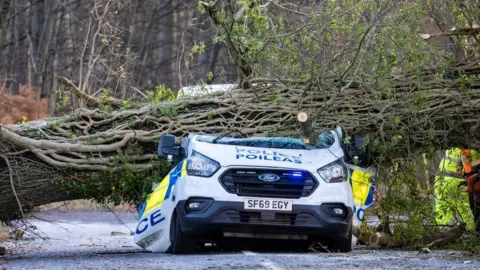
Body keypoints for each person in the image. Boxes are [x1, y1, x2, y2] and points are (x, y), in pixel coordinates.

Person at [434, 147, 480, 230]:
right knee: (466, 210)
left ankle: (442, 233)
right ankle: (473, 234)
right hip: (458, 182)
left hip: (440, 179)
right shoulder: (472, 146)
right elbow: (468, 167)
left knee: (442, 210)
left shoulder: (453, 144)